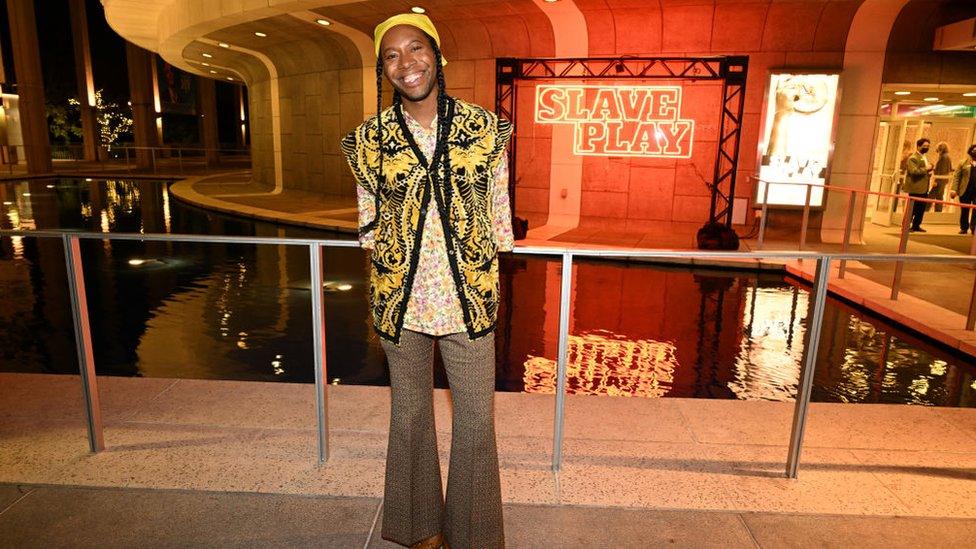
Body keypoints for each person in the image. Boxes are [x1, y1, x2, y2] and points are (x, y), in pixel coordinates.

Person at [340, 13, 512, 549]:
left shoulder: (484, 128)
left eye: (415, 50)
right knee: (410, 415)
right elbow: (369, 222)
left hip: (470, 298)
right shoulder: (369, 141)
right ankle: (419, 530)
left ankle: (475, 535)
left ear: (438, 57)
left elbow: (498, 213)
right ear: (382, 69)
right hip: (401, 301)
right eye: (391, 56)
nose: (406, 63)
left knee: (477, 424)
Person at [904, 138, 934, 232]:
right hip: (915, 188)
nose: (926, 148)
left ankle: (916, 225)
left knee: (921, 209)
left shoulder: (924, 156)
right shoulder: (913, 158)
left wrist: (929, 171)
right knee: (912, 209)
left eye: (928, 146)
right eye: (924, 146)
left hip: (924, 188)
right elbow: (914, 172)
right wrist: (926, 169)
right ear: (918, 146)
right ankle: (905, 226)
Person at [950, 144, 976, 234]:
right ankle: (964, 227)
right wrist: (954, 189)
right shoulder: (963, 162)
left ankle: (974, 228)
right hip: (965, 190)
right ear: (970, 151)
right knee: (964, 210)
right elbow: (957, 176)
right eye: (974, 150)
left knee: (975, 211)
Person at [930, 141, 952, 212]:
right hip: (943, 180)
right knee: (939, 196)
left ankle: (927, 211)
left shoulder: (943, 157)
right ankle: (937, 212)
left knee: (932, 196)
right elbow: (949, 168)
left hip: (940, 180)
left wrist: (936, 181)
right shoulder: (947, 156)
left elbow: (941, 170)